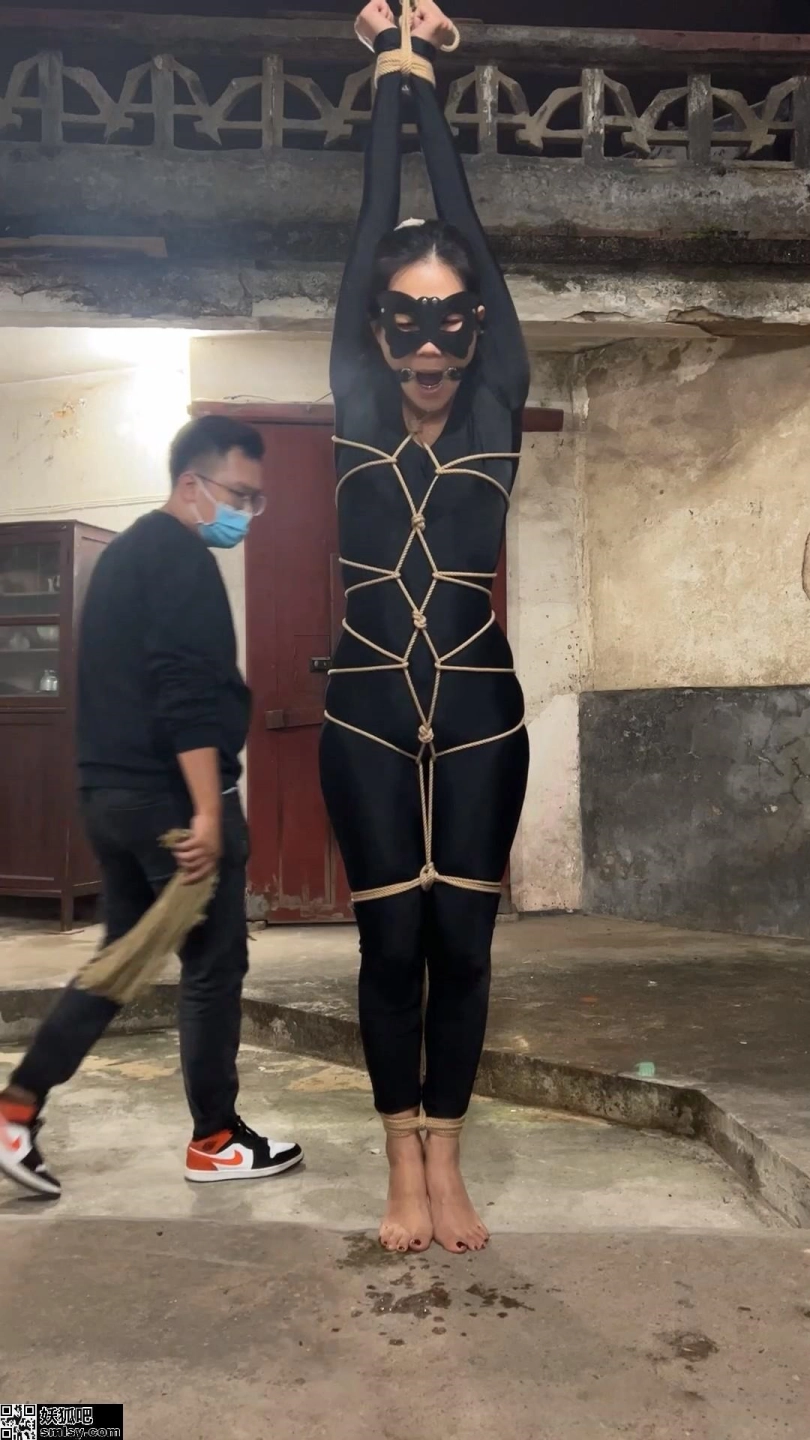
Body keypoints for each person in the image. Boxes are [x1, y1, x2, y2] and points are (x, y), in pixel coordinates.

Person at [320, 0, 530, 1253]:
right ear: (378, 328)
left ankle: (449, 1159)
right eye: (407, 315)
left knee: (464, 939)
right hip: (362, 707)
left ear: (477, 327)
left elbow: (477, 252)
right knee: (390, 942)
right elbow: (367, 234)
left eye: (453, 315)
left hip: (479, 701)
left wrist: (430, 85)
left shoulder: (498, 401)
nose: (432, 340)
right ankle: (398, 1160)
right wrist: (389, 74)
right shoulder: (355, 401)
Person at [0, 415, 303, 1197]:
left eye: (257, 500)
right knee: (213, 964)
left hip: (109, 795)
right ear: (191, 484)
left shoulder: (125, 555)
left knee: (123, 959)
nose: (247, 512)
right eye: (240, 494)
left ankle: (17, 1108)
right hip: (170, 803)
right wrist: (207, 810)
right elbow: (184, 691)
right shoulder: (179, 558)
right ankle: (216, 1139)